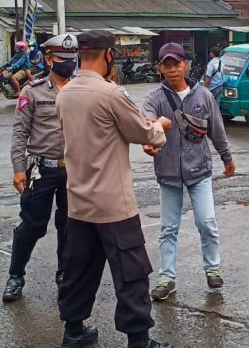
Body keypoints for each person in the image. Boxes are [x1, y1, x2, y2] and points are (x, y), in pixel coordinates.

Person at [54, 29, 173, 348]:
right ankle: (139, 341)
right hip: (113, 204)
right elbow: (142, 132)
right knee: (131, 272)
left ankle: (74, 331)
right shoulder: (111, 94)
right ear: (108, 55)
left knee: (78, 268)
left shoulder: (64, 93)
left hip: (78, 201)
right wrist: (160, 127)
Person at [143, 43, 235, 302]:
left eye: (176, 64)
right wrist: (149, 137)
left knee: (206, 222)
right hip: (168, 172)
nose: (172, 70)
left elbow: (217, 129)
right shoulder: (155, 98)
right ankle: (166, 278)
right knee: (168, 228)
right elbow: (146, 121)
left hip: (200, 171)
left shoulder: (204, 96)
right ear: (160, 68)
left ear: (186, 65)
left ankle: (212, 268)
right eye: (166, 65)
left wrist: (227, 157)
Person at [2, 35, 79, 303]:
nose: (68, 65)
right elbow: (20, 132)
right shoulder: (31, 91)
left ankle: (64, 274)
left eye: (72, 60)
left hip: (74, 171)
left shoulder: (81, 90)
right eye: (62, 60)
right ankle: (16, 276)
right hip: (40, 169)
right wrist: (18, 167)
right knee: (32, 225)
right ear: (48, 59)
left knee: (69, 226)